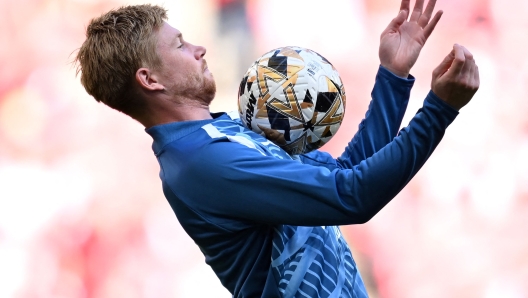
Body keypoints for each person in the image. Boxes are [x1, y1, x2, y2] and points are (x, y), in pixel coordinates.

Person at [75, 0, 479, 297]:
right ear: (149, 79)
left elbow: (344, 175)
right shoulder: (201, 163)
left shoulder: (222, 133)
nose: (198, 48)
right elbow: (353, 197)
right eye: (179, 45)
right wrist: (438, 110)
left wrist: (393, 74)